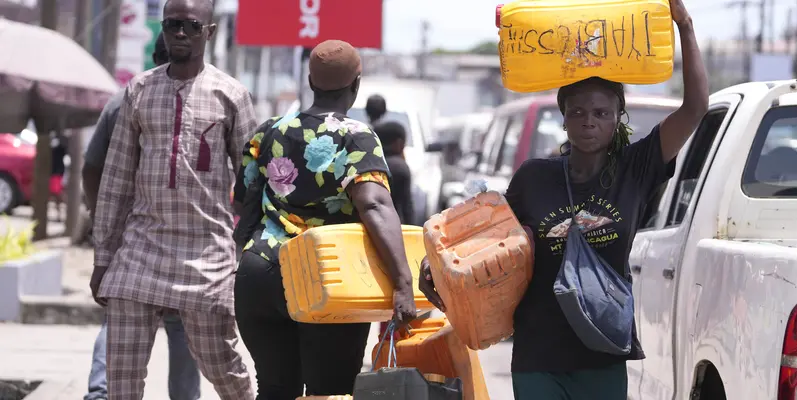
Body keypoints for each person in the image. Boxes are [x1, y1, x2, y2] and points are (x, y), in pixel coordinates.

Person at [418, 0, 708, 398]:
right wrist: (435, 261)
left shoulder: (636, 168)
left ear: (618, 117)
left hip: (602, 354)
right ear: (564, 117)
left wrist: (686, 27)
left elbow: (695, 108)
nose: (589, 120)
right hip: (539, 355)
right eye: (578, 112)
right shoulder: (534, 177)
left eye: (602, 113)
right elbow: (483, 236)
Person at [90, 0, 257, 398]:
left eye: (191, 26)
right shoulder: (140, 90)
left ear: (209, 32)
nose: (180, 33)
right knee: (121, 379)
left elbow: (253, 184)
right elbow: (115, 179)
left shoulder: (231, 95)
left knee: (226, 371)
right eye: (172, 25)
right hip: (140, 253)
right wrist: (103, 258)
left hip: (206, 257)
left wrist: (245, 255)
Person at [232, 39, 417, 399]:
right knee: (329, 391)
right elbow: (375, 205)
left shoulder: (270, 130)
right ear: (356, 85)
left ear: (311, 81)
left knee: (274, 387)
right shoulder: (357, 137)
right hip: (327, 277)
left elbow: (243, 200)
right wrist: (403, 282)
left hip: (261, 273)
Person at [81, 32, 201, 400]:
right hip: (183, 235)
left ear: (154, 55)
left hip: (130, 233)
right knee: (181, 322)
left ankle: (101, 392)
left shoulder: (123, 100)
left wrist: (102, 217)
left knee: (121, 314)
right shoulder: (205, 100)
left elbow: (91, 167)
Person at [373, 121, 413, 225]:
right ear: (399, 143)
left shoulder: (372, 163)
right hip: (395, 227)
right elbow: (406, 207)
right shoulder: (400, 167)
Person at [50, 135, 67, 221]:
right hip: (53, 171)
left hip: (57, 171)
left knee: (57, 193)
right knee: (55, 193)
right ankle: (59, 214)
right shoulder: (52, 138)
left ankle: (60, 214)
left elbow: (64, 151)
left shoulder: (62, 140)